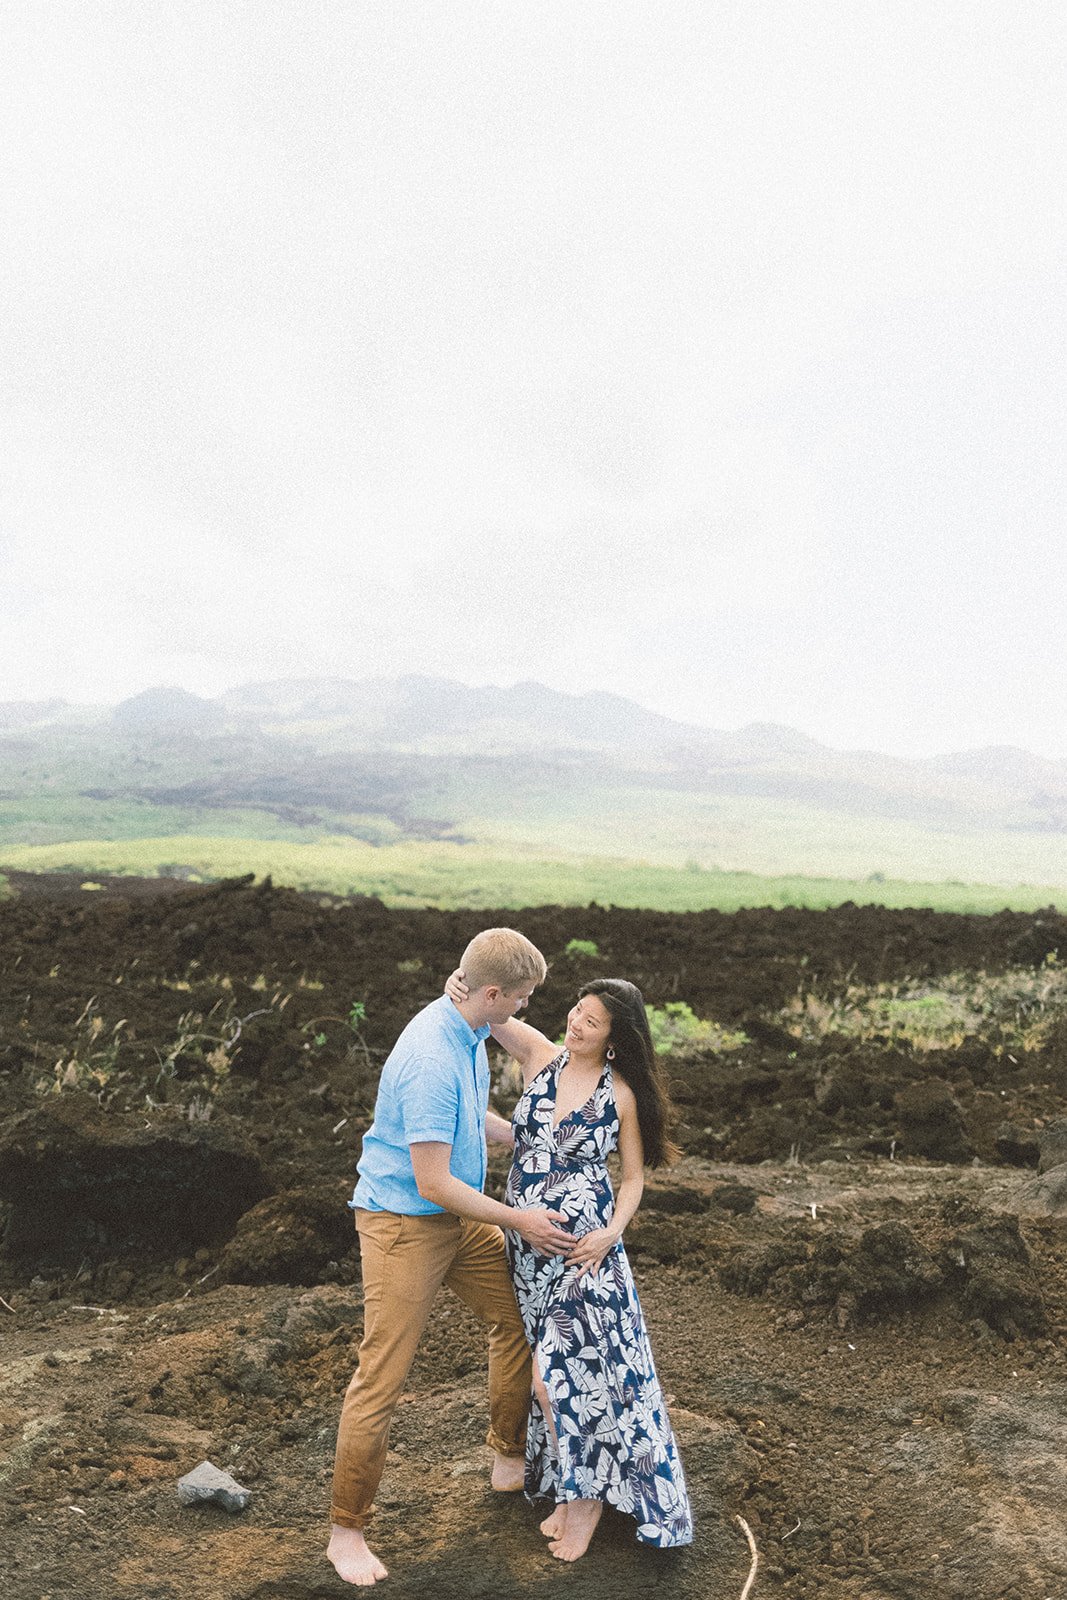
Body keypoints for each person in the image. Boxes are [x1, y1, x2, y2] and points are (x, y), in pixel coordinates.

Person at [327, 928, 575, 1588]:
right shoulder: (432, 1058)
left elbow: (473, 1113)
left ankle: (506, 1455)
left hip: (458, 1221)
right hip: (404, 1226)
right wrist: (520, 1218)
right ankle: (345, 1532)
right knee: (381, 1377)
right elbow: (432, 1181)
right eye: (520, 999)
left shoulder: (466, 1028)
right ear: (491, 993)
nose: (524, 1010)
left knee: (516, 1318)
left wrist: (515, 1129)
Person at [445, 969, 694, 1562]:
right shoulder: (541, 1056)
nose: (575, 1023)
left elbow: (631, 1178)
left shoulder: (621, 1093)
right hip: (528, 1251)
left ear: (615, 1037)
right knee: (568, 1378)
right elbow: (489, 1010)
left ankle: (586, 1507)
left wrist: (611, 1234)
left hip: (585, 1250)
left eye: (591, 1020)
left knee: (554, 1380)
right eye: (576, 1011)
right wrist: (465, 982)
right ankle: (570, 1489)